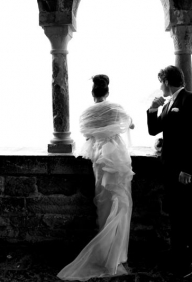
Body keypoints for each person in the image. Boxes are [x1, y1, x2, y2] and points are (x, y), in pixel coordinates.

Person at [57, 74, 135, 281]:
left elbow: (86, 135)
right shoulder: (115, 109)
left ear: (93, 92)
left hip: (101, 160)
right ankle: (117, 254)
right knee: (122, 204)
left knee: (105, 204)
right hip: (118, 159)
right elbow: (131, 125)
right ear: (107, 91)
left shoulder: (88, 113)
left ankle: (104, 253)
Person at [146, 65, 192, 278]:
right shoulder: (167, 104)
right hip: (171, 170)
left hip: (187, 171)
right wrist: (153, 108)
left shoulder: (191, 99)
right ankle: (177, 253)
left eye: (160, 82)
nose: (159, 86)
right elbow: (154, 129)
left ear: (165, 81)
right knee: (176, 215)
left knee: (191, 216)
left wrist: (188, 170)